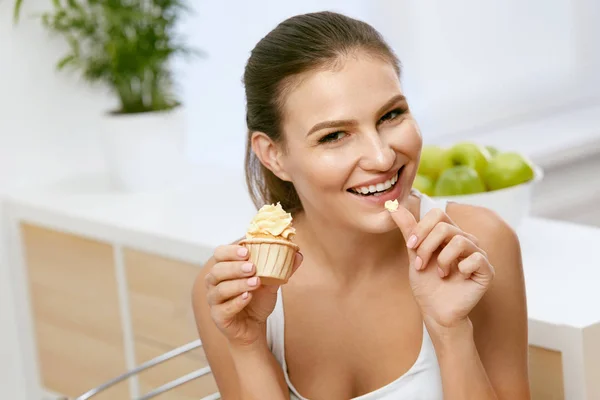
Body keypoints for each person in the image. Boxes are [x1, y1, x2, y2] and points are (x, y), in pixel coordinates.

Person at [192, 11, 530, 400]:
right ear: (273, 155)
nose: (382, 157)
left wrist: (451, 331)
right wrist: (247, 345)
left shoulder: (478, 248)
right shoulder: (234, 289)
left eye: (391, 114)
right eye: (334, 135)